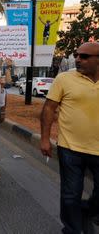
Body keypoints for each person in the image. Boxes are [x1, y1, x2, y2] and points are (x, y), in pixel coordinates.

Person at [40, 42, 99, 233]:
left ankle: (85, 211)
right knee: (70, 195)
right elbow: (49, 108)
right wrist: (44, 138)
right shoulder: (64, 79)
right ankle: (72, 229)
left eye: (84, 56)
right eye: (77, 55)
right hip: (70, 148)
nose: (78, 59)